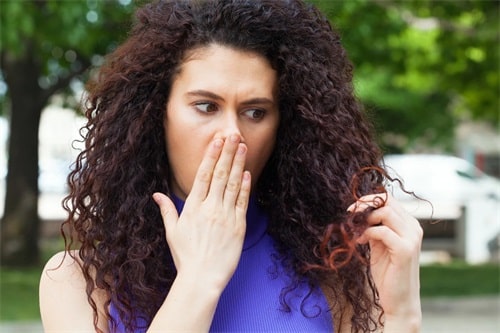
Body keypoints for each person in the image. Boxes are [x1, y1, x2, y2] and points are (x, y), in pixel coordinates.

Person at [39, 0, 423, 332]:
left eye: (255, 112)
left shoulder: (331, 269)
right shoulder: (79, 280)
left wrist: (401, 315)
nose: (231, 133)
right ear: (156, 114)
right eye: (206, 106)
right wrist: (199, 278)